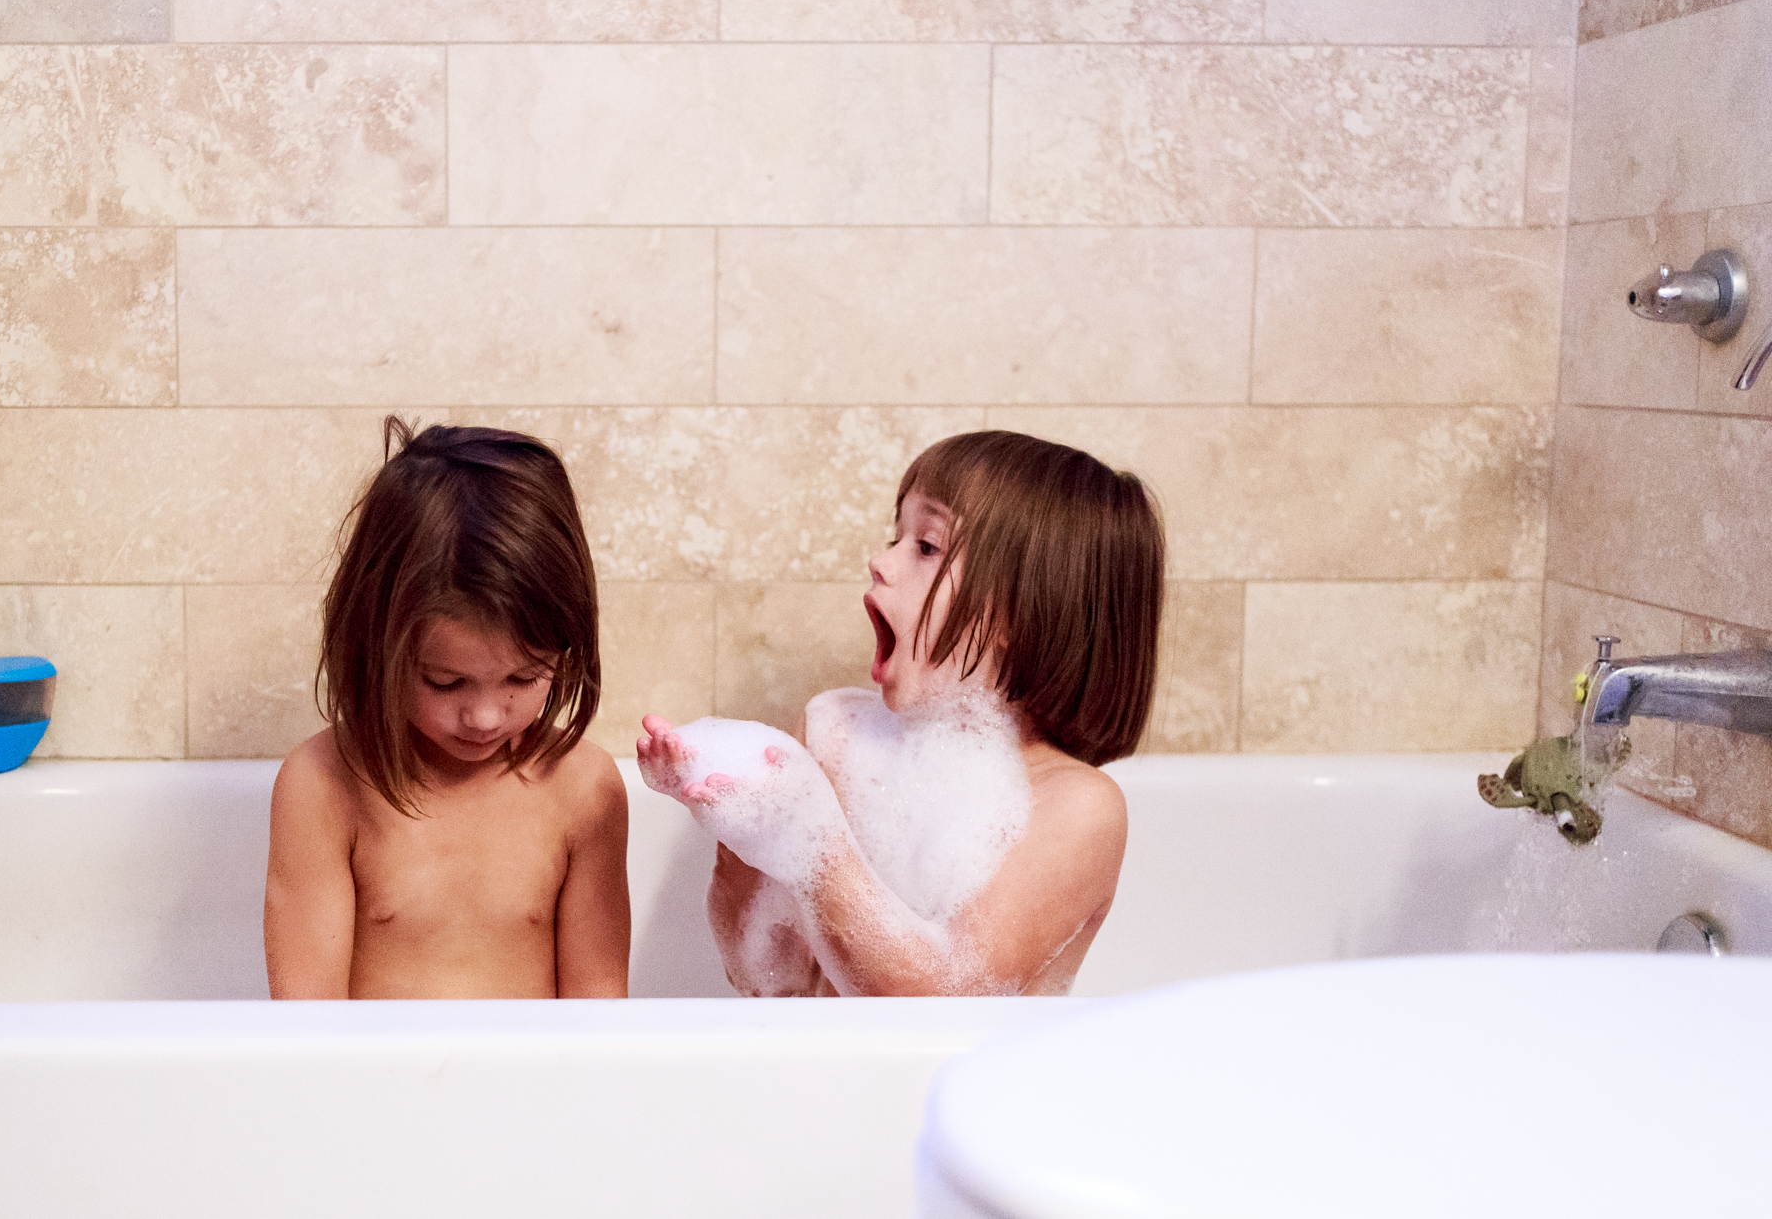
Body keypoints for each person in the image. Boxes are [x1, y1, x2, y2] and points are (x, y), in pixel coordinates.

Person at [639, 430, 1162, 996]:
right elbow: (764, 976)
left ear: (1016, 613)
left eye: (927, 547)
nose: (881, 560)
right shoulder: (832, 732)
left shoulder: (1078, 809)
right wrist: (735, 825)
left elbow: (939, 997)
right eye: (897, 536)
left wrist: (809, 837)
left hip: (954, 1084)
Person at [266, 419, 630, 999]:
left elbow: (600, 1016)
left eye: (524, 676)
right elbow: (305, 1025)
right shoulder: (323, 785)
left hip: (526, 1088)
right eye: (444, 682)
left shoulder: (583, 788)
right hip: (375, 1089)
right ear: (376, 644)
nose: (485, 716)